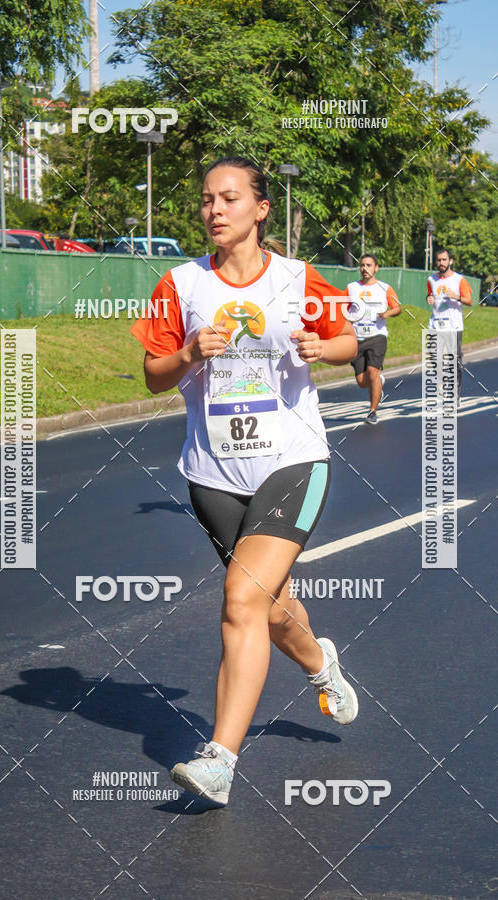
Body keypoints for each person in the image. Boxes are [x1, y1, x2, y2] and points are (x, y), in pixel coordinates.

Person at [130, 156, 359, 807]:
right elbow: (152, 373)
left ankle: (220, 759)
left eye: (229, 198)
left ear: (261, 208)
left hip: (292, 462)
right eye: (207, 200)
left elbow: (347, 339)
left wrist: (324, 349)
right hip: (212, 476)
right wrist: (186, 354)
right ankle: (321, 664)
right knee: (271, 606)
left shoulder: (295, 279)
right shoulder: (180, 283)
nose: (215, 210)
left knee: (239, 597)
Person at [347, 253, 401, 424]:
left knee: (372, 372)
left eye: (369, 265)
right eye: (362, 265)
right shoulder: (351, 288)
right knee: (362, 381)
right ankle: (377, 382)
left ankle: (372, 411)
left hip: (377, 335)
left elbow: (397, 308)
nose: (365, 268)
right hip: (357, 337)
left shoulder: (385, 288)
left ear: (376, 268)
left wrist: (386, 313)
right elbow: (342, 309)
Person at [427, 248, 473, 405]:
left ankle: (455, 395)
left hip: (453, 326)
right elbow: (430, 294)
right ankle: (444, 382)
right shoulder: (431, 280)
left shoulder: (459, 280)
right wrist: (429, 298)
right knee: (434, 358)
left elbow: (470, 300)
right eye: (439, 260)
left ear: (450, 261)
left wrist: (457, 296)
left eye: (444, 260)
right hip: (435, 324)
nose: (441, 263)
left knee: (455, 361)